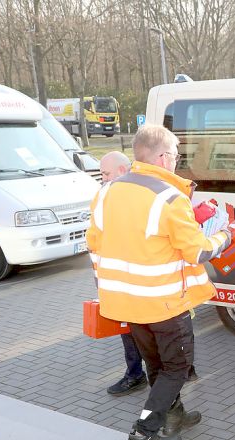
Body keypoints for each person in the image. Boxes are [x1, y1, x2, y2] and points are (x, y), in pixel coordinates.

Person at [86, 125, 232, 440]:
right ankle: (143, 435)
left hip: (125, 303)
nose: (177, 162)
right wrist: (222, 236)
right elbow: (196, 252)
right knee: (177, 367)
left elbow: (94, 244)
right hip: (164, 303)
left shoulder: (106, 193)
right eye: (177, 156)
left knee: (157, 364)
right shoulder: (169, 198)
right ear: (163, 157)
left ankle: (173, 416)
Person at [97, 151, 148, 396]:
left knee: (137, 331)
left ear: (121, 171)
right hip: (126, 281)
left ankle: (139, 375)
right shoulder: (112, 196)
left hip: (135, 283)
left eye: (105, 173)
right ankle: (138, 373)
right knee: (133, 331)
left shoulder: (131, 196)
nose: (103, 178)